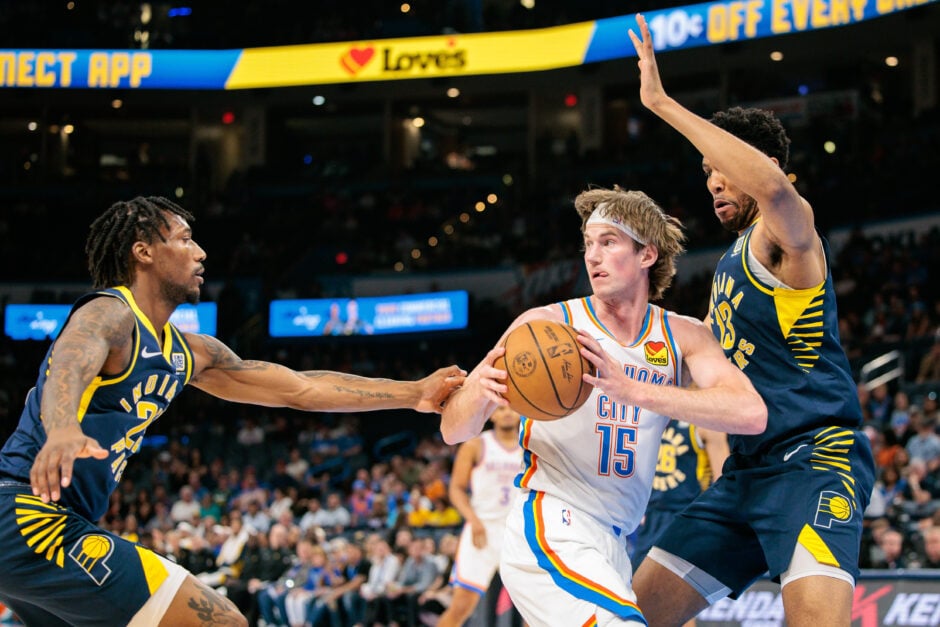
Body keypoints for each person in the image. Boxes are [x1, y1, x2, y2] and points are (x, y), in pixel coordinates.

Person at [0, 195, 465, 626]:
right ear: (143, 252)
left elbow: (302, 388)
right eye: (184, 239)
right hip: (25, 516)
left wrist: (414, 393)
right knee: (222, 621)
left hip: (57, 523)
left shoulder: (189, 353)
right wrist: (61, 428)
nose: (201, 253)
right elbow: (71, 358)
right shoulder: (111, 312)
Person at [627, 14, 876, 626]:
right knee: (630, 615)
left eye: (721, 169)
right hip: (746, 472)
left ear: (758, 164)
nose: (713, 183)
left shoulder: (785, 235)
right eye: (706, 174)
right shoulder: (728, 266)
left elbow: (777, 192)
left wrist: (661, 104)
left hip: (814, 460)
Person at [441, 186, 767, 626]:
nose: (592, 257)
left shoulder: (682, 335)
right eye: (588, 244)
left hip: (615, 539)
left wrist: (633, 390)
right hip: (551, 521)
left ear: (647, 254)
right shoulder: (545, 327)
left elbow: (750, 412)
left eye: (608, 242)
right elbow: (453, 430)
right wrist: (479, 390)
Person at [438, 405, 523, 626]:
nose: (506, 413)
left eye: (511, 408)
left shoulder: (530, 445)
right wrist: (473, 520)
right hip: (482, 530)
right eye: (500, 409)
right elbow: (456, 489)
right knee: (461, 606)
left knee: (533, 610)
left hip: (517, 533)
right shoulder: (475, 445)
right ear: (491, 414)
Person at [630, 420, 729, 570]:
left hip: (687, 518)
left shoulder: (707, 423)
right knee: (636, 580)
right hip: (652, 517)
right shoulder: (650, 418)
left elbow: (723, 483)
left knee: (680, 580)